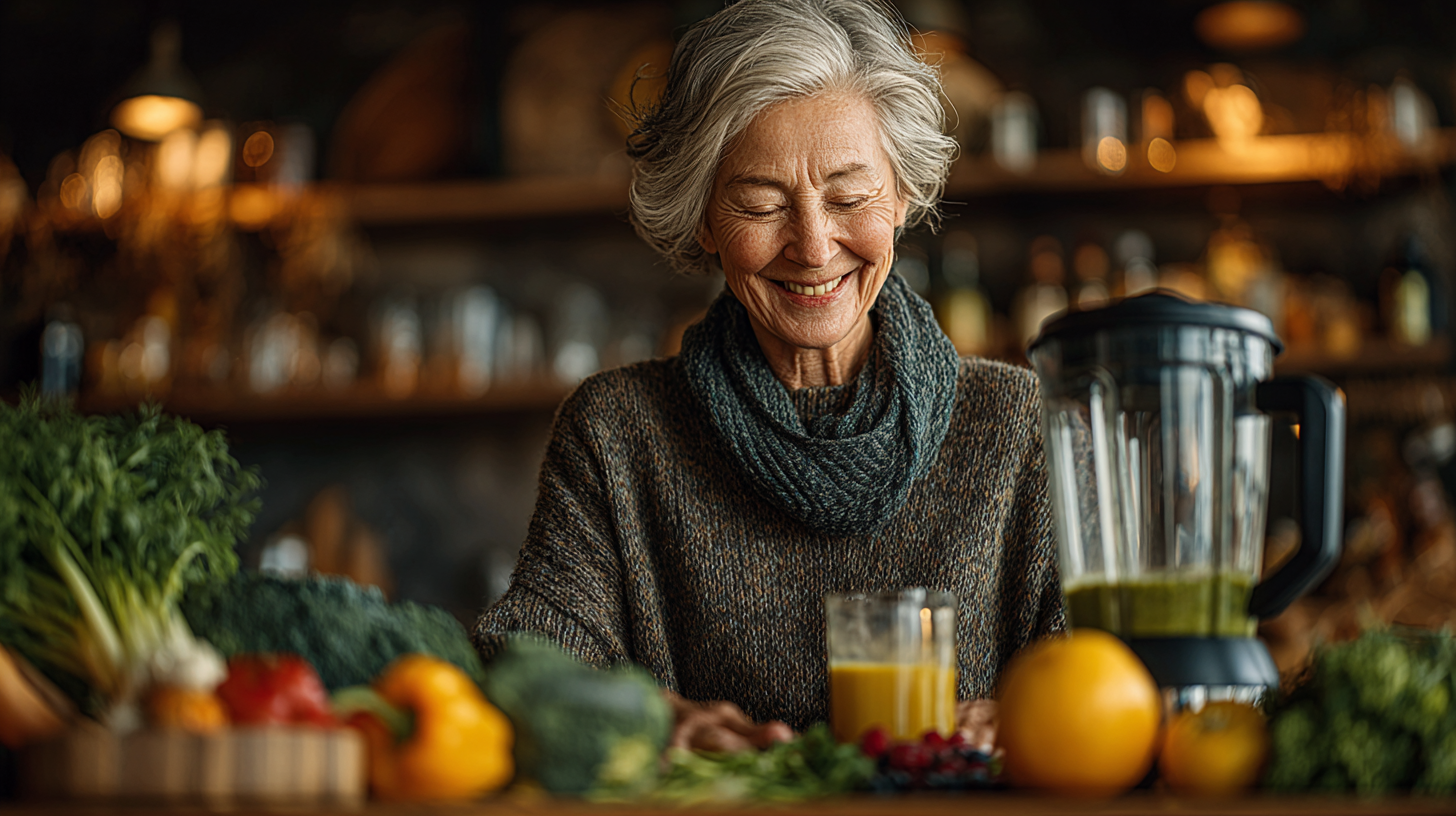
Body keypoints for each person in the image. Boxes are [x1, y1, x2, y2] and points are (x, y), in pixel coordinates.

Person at [474, 0, 1064, 753]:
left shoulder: (1017, 422)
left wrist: (1038, 716)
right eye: (760, 205)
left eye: (849, 198)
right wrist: (651, 724)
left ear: (904, 197)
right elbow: (522, 670)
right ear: (703, 220)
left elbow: (1112, 678)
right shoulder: (620, 433)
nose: (814, 247)